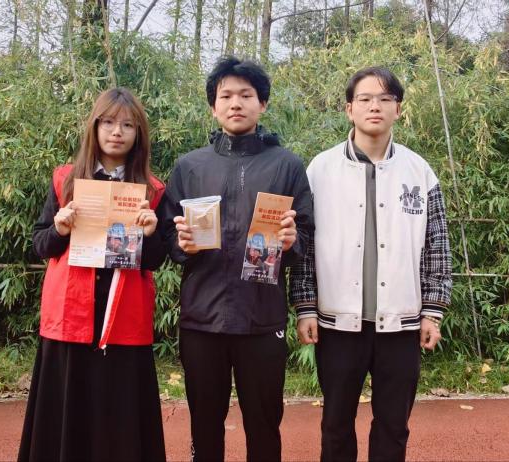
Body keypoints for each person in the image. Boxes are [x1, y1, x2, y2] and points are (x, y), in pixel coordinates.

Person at [291, 67, 452, 461]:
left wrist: (433, 312)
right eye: (364, 99)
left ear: (398, 109)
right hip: (337, 324)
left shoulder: (419, 171)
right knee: (335, 425)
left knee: (394, 427)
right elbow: (304, 245)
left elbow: (437, 245)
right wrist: (305, 307)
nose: (374, 106)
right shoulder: (320, 170)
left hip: (401, 323)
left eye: (385, 99)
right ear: (349, 109)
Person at [160, 56, 314, 462]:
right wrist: (182, 244)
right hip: (202, 319)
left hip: (261, 319)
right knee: (204, 424)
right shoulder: (190, 166)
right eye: (225, 95)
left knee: (263, 424)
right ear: (213, 106)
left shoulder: (286, 165)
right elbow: (166, 236)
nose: (235, 103)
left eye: (246, 95)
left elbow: (307, 234)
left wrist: (292, 240)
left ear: (262, 104)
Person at [18, 88, 167, 462]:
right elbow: (40, 245)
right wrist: (59, 229)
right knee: (65, 420)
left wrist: (151, 233)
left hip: (124, 320)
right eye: (109, 122)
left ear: (138, 134)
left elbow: (155, 260)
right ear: (95, 127)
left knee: (120, 421)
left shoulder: (151, 190)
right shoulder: (65, 180)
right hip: (70, 317)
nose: (117, 132)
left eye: (128, 125)